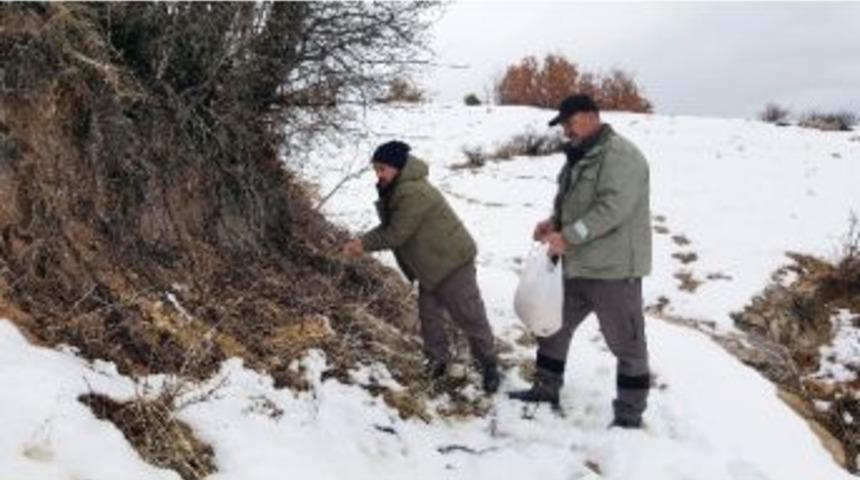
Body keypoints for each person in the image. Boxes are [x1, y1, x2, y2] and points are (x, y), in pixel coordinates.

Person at [508, 94, 652, 429]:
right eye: (563, 125)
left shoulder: (622, 156)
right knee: (552, 328)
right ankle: (545, 390)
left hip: (614, 271)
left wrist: (569, 236)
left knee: (627, 345)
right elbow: (573, 204)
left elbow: (612, 209)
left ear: (591, 116)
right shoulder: (580, 155)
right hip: (576, 265)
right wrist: (553, 224)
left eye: (570, 123)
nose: (566, 131)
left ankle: (629, 417)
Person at [342, 140, 500, 393]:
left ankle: (489, 364)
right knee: (430, 316)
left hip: (451, 261)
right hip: (430, 265)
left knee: (469, 315)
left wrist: (362, 244)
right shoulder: (397, 188)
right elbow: (392, 227)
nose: (378, 175)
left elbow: (396, 233)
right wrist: (362, 242)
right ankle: (437, 362)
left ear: (397, 167)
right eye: (376, 169)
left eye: (382, 169)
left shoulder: (413, 191)